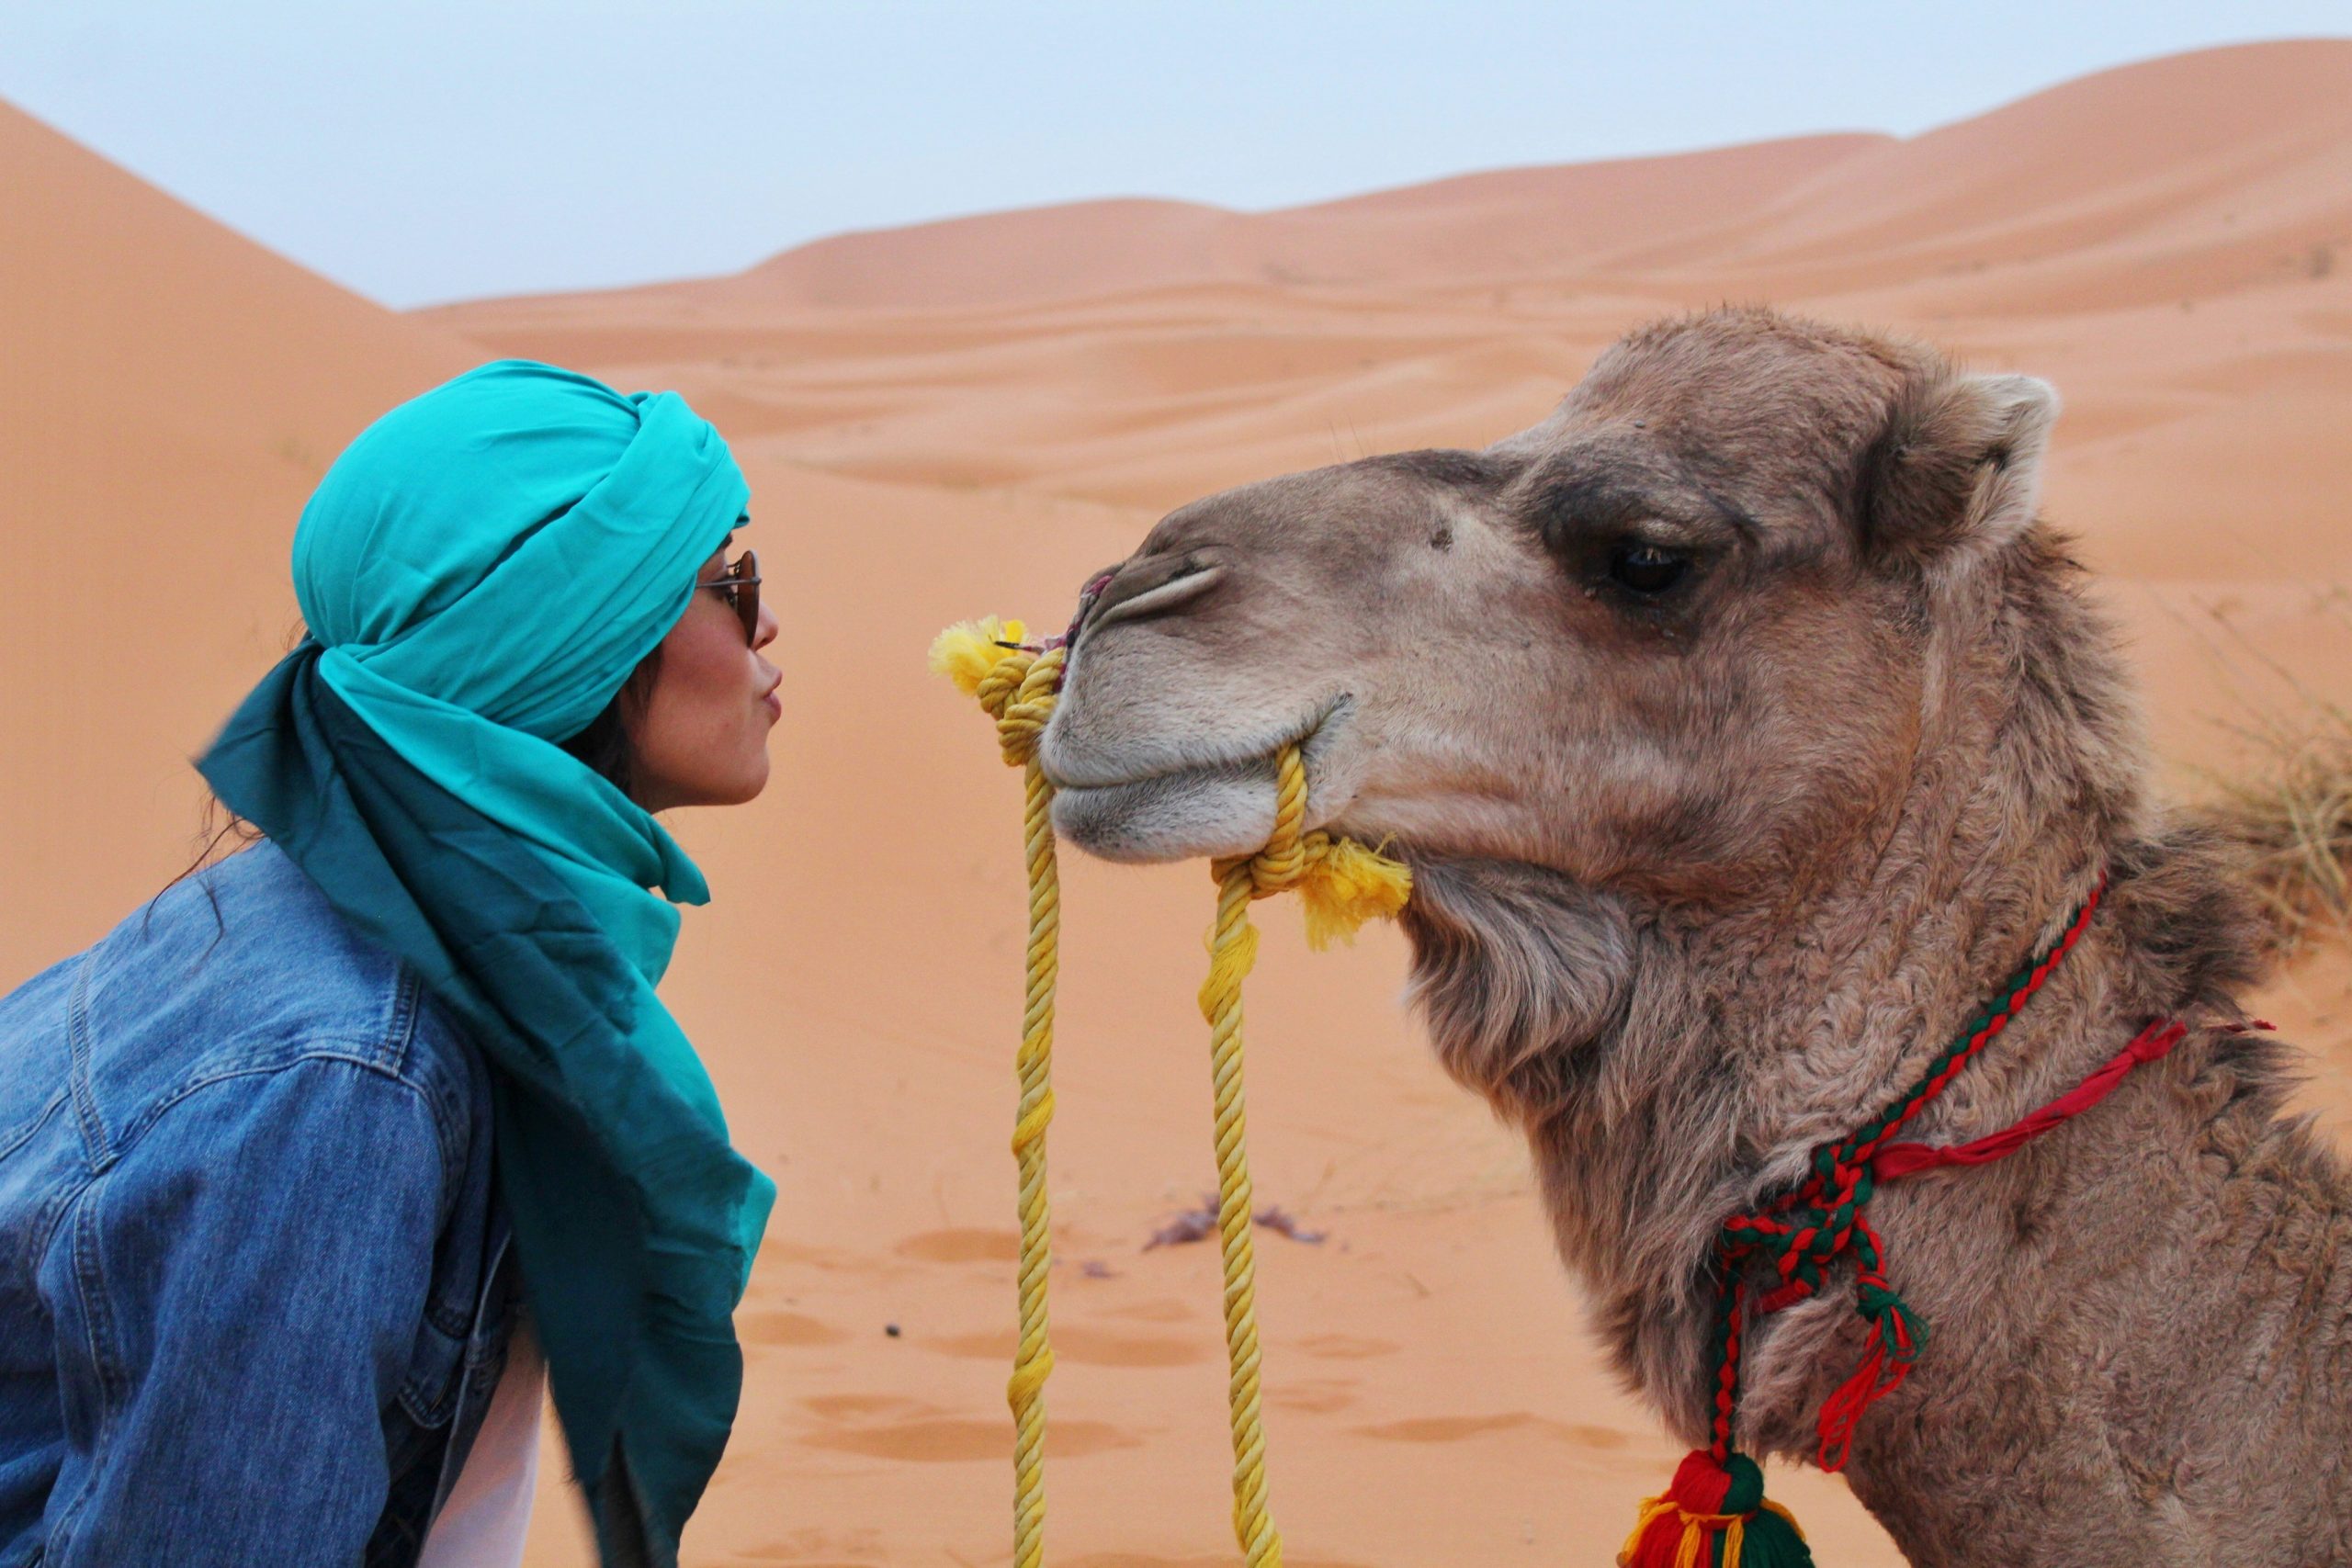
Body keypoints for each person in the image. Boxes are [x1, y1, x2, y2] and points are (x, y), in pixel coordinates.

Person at [0, 362, 782, 1567]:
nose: (766, 625)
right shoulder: (342, 1082)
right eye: (730, 583)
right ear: (570, 642)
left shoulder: (373, 918)